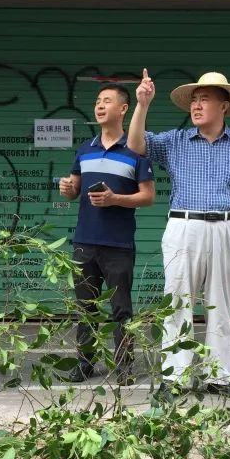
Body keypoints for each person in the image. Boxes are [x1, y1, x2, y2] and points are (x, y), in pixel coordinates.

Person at [128, 70, 230, 402]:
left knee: (220, 304)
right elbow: (135, 144)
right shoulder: (175, 141)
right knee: (177, 302)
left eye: (205, 99)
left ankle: (218, 377)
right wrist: (142, 104)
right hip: (183, 227)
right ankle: (174, 378)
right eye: (194, 99)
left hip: (225, 228)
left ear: (224, 106)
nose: (197, 105)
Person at [58, 85, 154, 385]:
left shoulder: (136, 150)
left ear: (123, 109)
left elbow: (148, 196)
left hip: (118, 244)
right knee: (84, 307)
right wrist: (67, 188)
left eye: (107, 101)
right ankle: (84, 363)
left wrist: (115, 199)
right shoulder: (85, 149)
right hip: (84, 242)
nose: (99, 106)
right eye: (97, 101)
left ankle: (124, 367)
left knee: (121, 309)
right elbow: (73, 190)